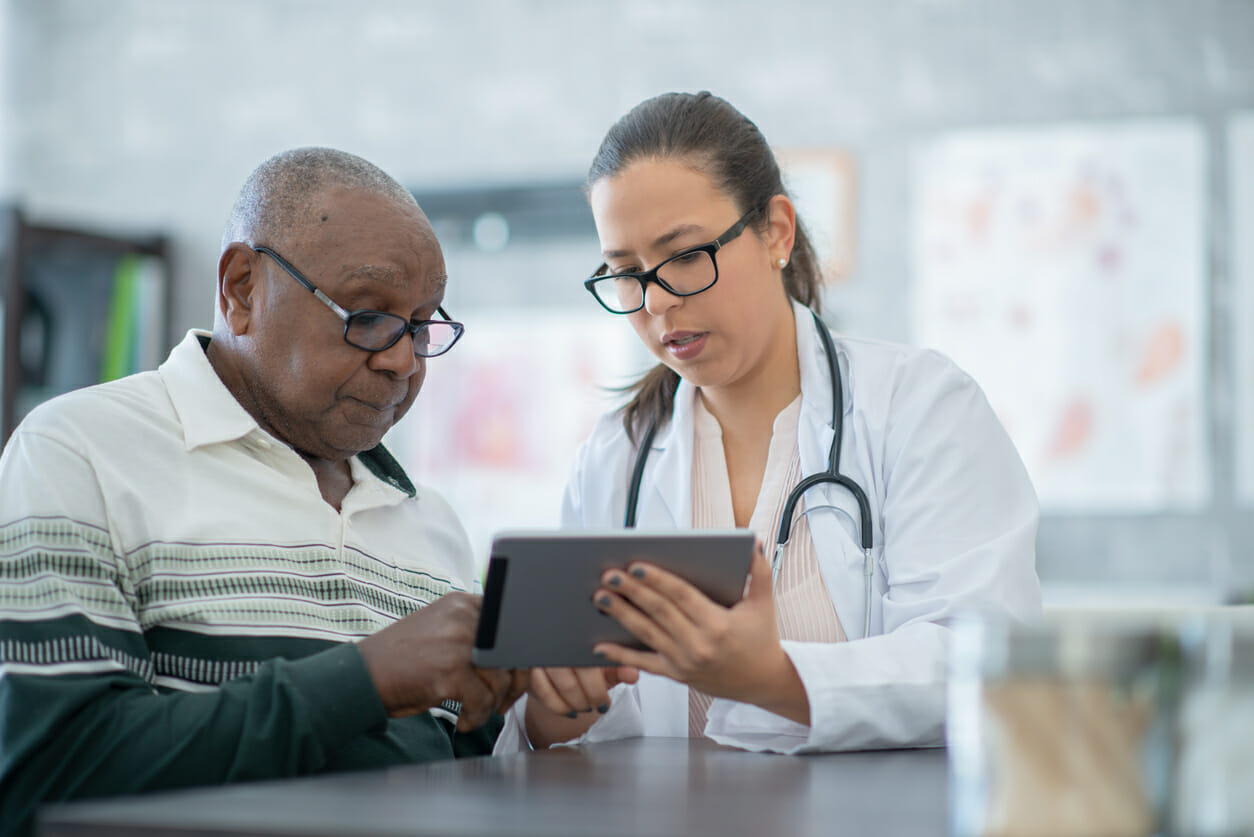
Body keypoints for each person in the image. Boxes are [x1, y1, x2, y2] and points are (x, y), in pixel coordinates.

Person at [0, 148, 526, 834]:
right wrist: (364, 678)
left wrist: (533, 718)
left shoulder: (432, 521)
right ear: (242, 288)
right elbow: (42, 773)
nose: (402, 358)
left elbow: (448, 772)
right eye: (367, 315)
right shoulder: (80, 452)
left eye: (423, 324)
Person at [497, 91, 1041, 754]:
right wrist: (556, 708)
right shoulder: (615, 458)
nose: (657, 299)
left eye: (688, 254)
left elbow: (985, 663)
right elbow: (577, 732)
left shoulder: (921, 408)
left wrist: (772, 678)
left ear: (776, 231)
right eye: (625, 273)